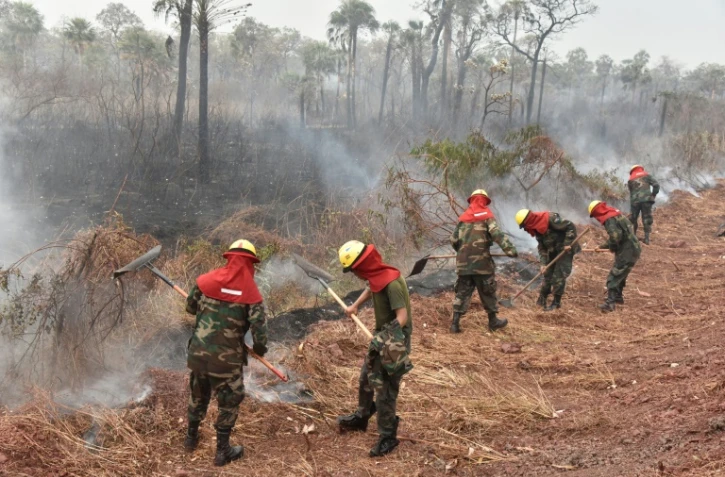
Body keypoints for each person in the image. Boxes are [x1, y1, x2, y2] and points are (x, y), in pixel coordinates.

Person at [184, 239, 268, 467]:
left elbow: (190, 308)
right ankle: (223, 451)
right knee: (229, 400)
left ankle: (190, 439)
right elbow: (260, 334)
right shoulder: (251, 293)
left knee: (198, 394)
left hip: (198, 353)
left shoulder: (205, 281)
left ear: (229, 259)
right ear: (251, 264)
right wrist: (259, 351)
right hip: (227, 360)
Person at [336, 240, 413, 458]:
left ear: (364, 265)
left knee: (385, 389)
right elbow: (371, 288)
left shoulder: (393, 284)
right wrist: (355, 305)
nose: (355, 275)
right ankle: (362, 416)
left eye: (354, 271)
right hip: (382, 336)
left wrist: (385, 336)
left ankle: (388, 436)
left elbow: (402, 317)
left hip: (394, 339)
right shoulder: (377, 277)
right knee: (366, 377)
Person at [450, 190, 518, 333]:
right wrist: (510, 250)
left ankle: (454, 324)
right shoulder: (487, 216)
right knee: (488, 290)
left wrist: (463, 252)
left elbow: (454, 240)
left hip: (463, 264)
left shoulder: (463, 218)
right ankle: (493, 321)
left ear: (472, 201)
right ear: (484, 201)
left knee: (462, 293)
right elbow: (497, 235)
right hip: (482, 264)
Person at [515, 209, 580, 311]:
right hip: (553, 250)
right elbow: (542, 247)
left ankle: (556, 303)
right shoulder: (536, 228)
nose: (525, 229)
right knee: (547, 274)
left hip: (565, 250)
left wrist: (567, 243)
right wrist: (543, 264)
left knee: (558, 276)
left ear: (528, 221)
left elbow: (570, 226)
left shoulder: (550, 219)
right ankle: (542, 299)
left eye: (524, 226)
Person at [588, 201, 641, 312]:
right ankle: (618, 297)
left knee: (614, 276)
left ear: (597, 211)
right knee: (621, 273)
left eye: (595, 215)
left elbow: (615, 237)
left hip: (627, 251)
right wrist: (602, 247)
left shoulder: (609, 219)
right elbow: (619, 235)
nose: (596, 218)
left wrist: (611, 247)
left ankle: (610, 304)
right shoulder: (615, 214)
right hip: (633, 248)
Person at [628, 165, 660, 245]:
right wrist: (653, 195)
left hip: (635, 201)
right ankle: (646, 239)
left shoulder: (630, 179)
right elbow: (656, 185)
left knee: (633, 219)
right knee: (646, 218)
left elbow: (631, 192)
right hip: (646, 200)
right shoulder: (646, 175)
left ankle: (633, 238)